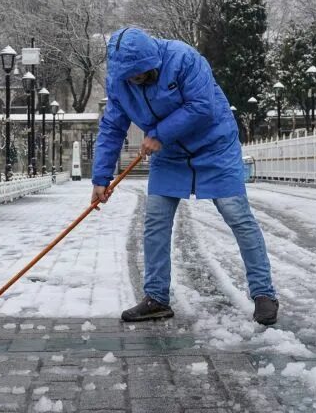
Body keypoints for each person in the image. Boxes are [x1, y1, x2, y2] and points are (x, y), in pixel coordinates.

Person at [91, 27, 278, 326]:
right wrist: (100, 178)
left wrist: (160, 134)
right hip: (170, 155)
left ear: (152, 62)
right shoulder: (119, 82)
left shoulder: (184, 59)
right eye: (129, 77)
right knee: (155, 220)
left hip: (215, 146)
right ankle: (156, 298)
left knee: (237, 215)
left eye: (139, 75)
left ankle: (264, 294)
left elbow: (202, 107)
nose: (134, 82)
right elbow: (112, 127)